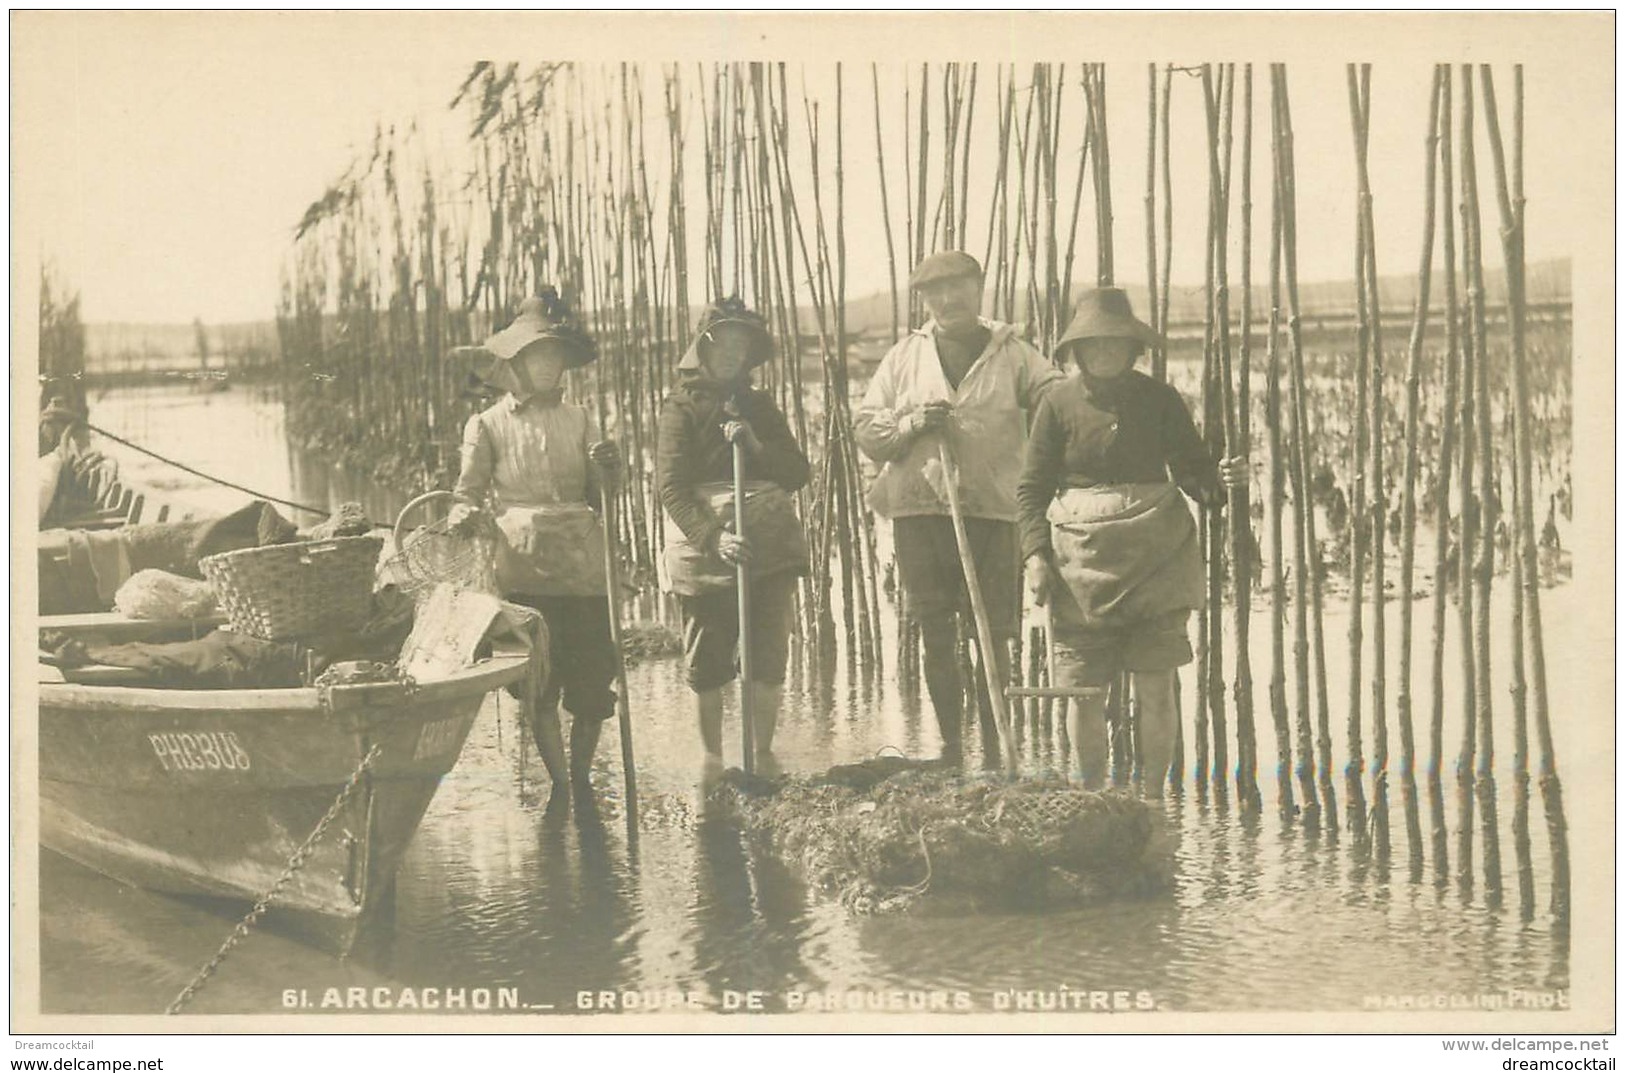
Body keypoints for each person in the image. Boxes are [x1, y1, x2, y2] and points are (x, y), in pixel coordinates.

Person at [1016, 287, 1245, 794]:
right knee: (1084, 693)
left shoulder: (1160, 400)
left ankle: (1153, 801)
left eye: (1115, 343)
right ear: (1076, 350)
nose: (1104, 353)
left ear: (1133, 348)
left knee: (1157, 688)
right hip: (1079, 566)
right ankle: (1093, 798)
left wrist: (1220, 482)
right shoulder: (1056, 404)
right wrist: (1035, 555)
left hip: (1155, 557)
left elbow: (1193, 474)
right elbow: (1031, 490)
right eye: (1093, 344)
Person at [855, 251, 1063, 768]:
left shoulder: (1012, 352)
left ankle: (995, 751)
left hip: (993, 509)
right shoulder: (905, 356)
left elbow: (1059, 400)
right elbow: (867, 430)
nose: (948, 300)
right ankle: (951, 748)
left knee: (993, 633)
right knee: (935, 629)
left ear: (979, 287)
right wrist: (913, 425)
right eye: (935, 292)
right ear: (924, 299)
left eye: (959, 287)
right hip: (919, 511)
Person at [449, 289, 622, 807]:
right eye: (536, 357)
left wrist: (610, 470)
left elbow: (601, 495)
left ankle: (583, 778)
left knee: (593, 682)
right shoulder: (487, 425)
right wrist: (462, 516)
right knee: (540, 685)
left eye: (554, 357)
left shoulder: (583, 419)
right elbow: (467, 493)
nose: (547, 367)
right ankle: (561, 785)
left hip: (584, 565)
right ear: (515, 363)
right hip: (523, 568)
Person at [656, 298, 810, 772]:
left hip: (769, 546)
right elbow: (672, 489)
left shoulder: (759, 406)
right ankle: (712, 764)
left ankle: (762, 759)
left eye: (740, 346)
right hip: (706, 552)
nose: (730, 354)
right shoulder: (681, 409)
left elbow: (797, 472)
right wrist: (714, 538)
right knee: (707, 661)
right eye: (722, 344)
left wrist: (755, 443)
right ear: (704, 348)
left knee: (767, 654)